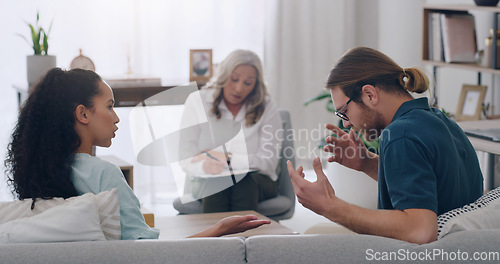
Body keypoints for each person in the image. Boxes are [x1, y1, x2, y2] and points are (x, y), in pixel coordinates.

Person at [5, 68, 270, 240]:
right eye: (109, 107)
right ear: (83, 113)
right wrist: (219, 230)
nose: (117, 118)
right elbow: (148, 254)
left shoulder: (40, 172)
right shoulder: (105, 176)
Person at [287, 47, 483, 244]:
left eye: (344, 111)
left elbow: (420, 230)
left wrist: (329, 206)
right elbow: (432, 187)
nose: (345, 123)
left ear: (370, 94)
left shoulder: (400, 135)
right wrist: (367, 163)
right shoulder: (442, 121)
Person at [179, 49, 283, 213]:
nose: (238, 88)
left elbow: (268, 162)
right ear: (223, 76)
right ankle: (221, 238)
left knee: (243, 182)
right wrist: (205, 165)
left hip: (257, 181)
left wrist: (227, 159)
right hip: (207, 179)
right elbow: (185, 156)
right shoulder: (197, 101)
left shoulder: (266, 106)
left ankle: (243, 238)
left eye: (248, 83)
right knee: (219, 183)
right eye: (234, 79)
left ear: (256, 84)